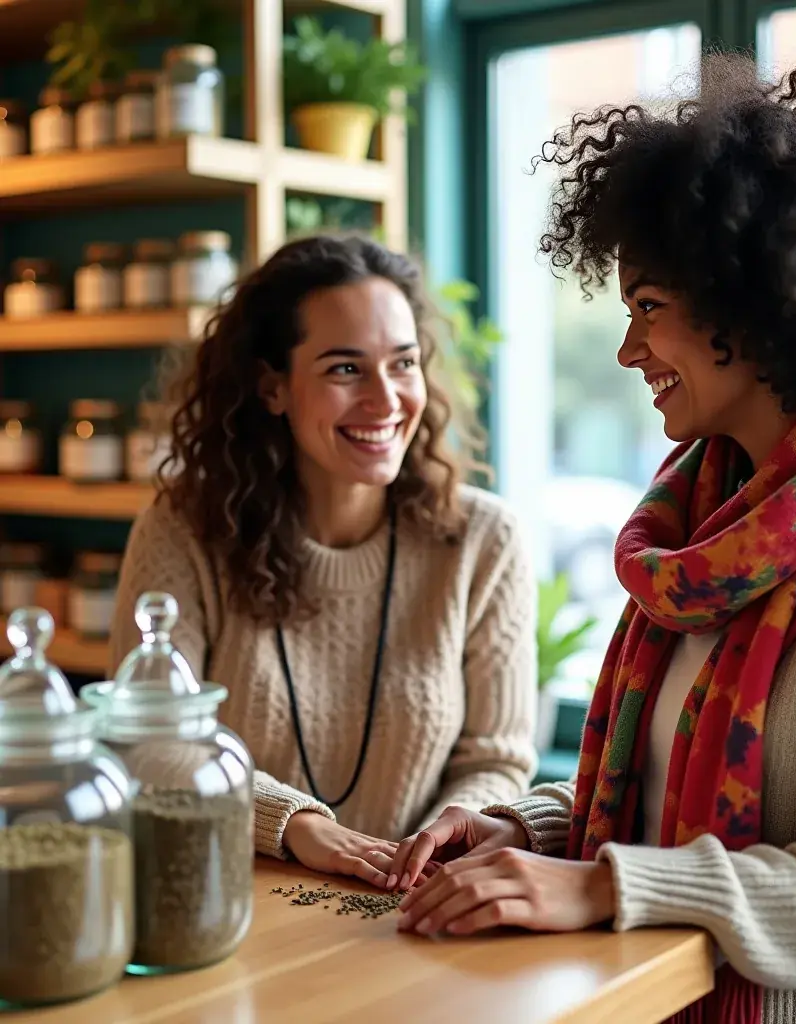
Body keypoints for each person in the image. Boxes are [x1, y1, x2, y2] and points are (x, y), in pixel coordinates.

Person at [387, 58, 796, 1024]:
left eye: (648, 309)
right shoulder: (706, 528)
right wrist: (526, 827)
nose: (628, 350)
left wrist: (601, 888)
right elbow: (660, 803)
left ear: (746, 303)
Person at [110, 233, 538, 885]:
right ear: (272, 387)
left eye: (403, 363)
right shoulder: (182, 531)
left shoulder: (484, 541)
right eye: (345, 369)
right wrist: (297, 827)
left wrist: (452, 828)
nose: (385, 399)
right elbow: (150, 741)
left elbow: (498, 757)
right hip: (225, 898)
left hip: (410, 906)